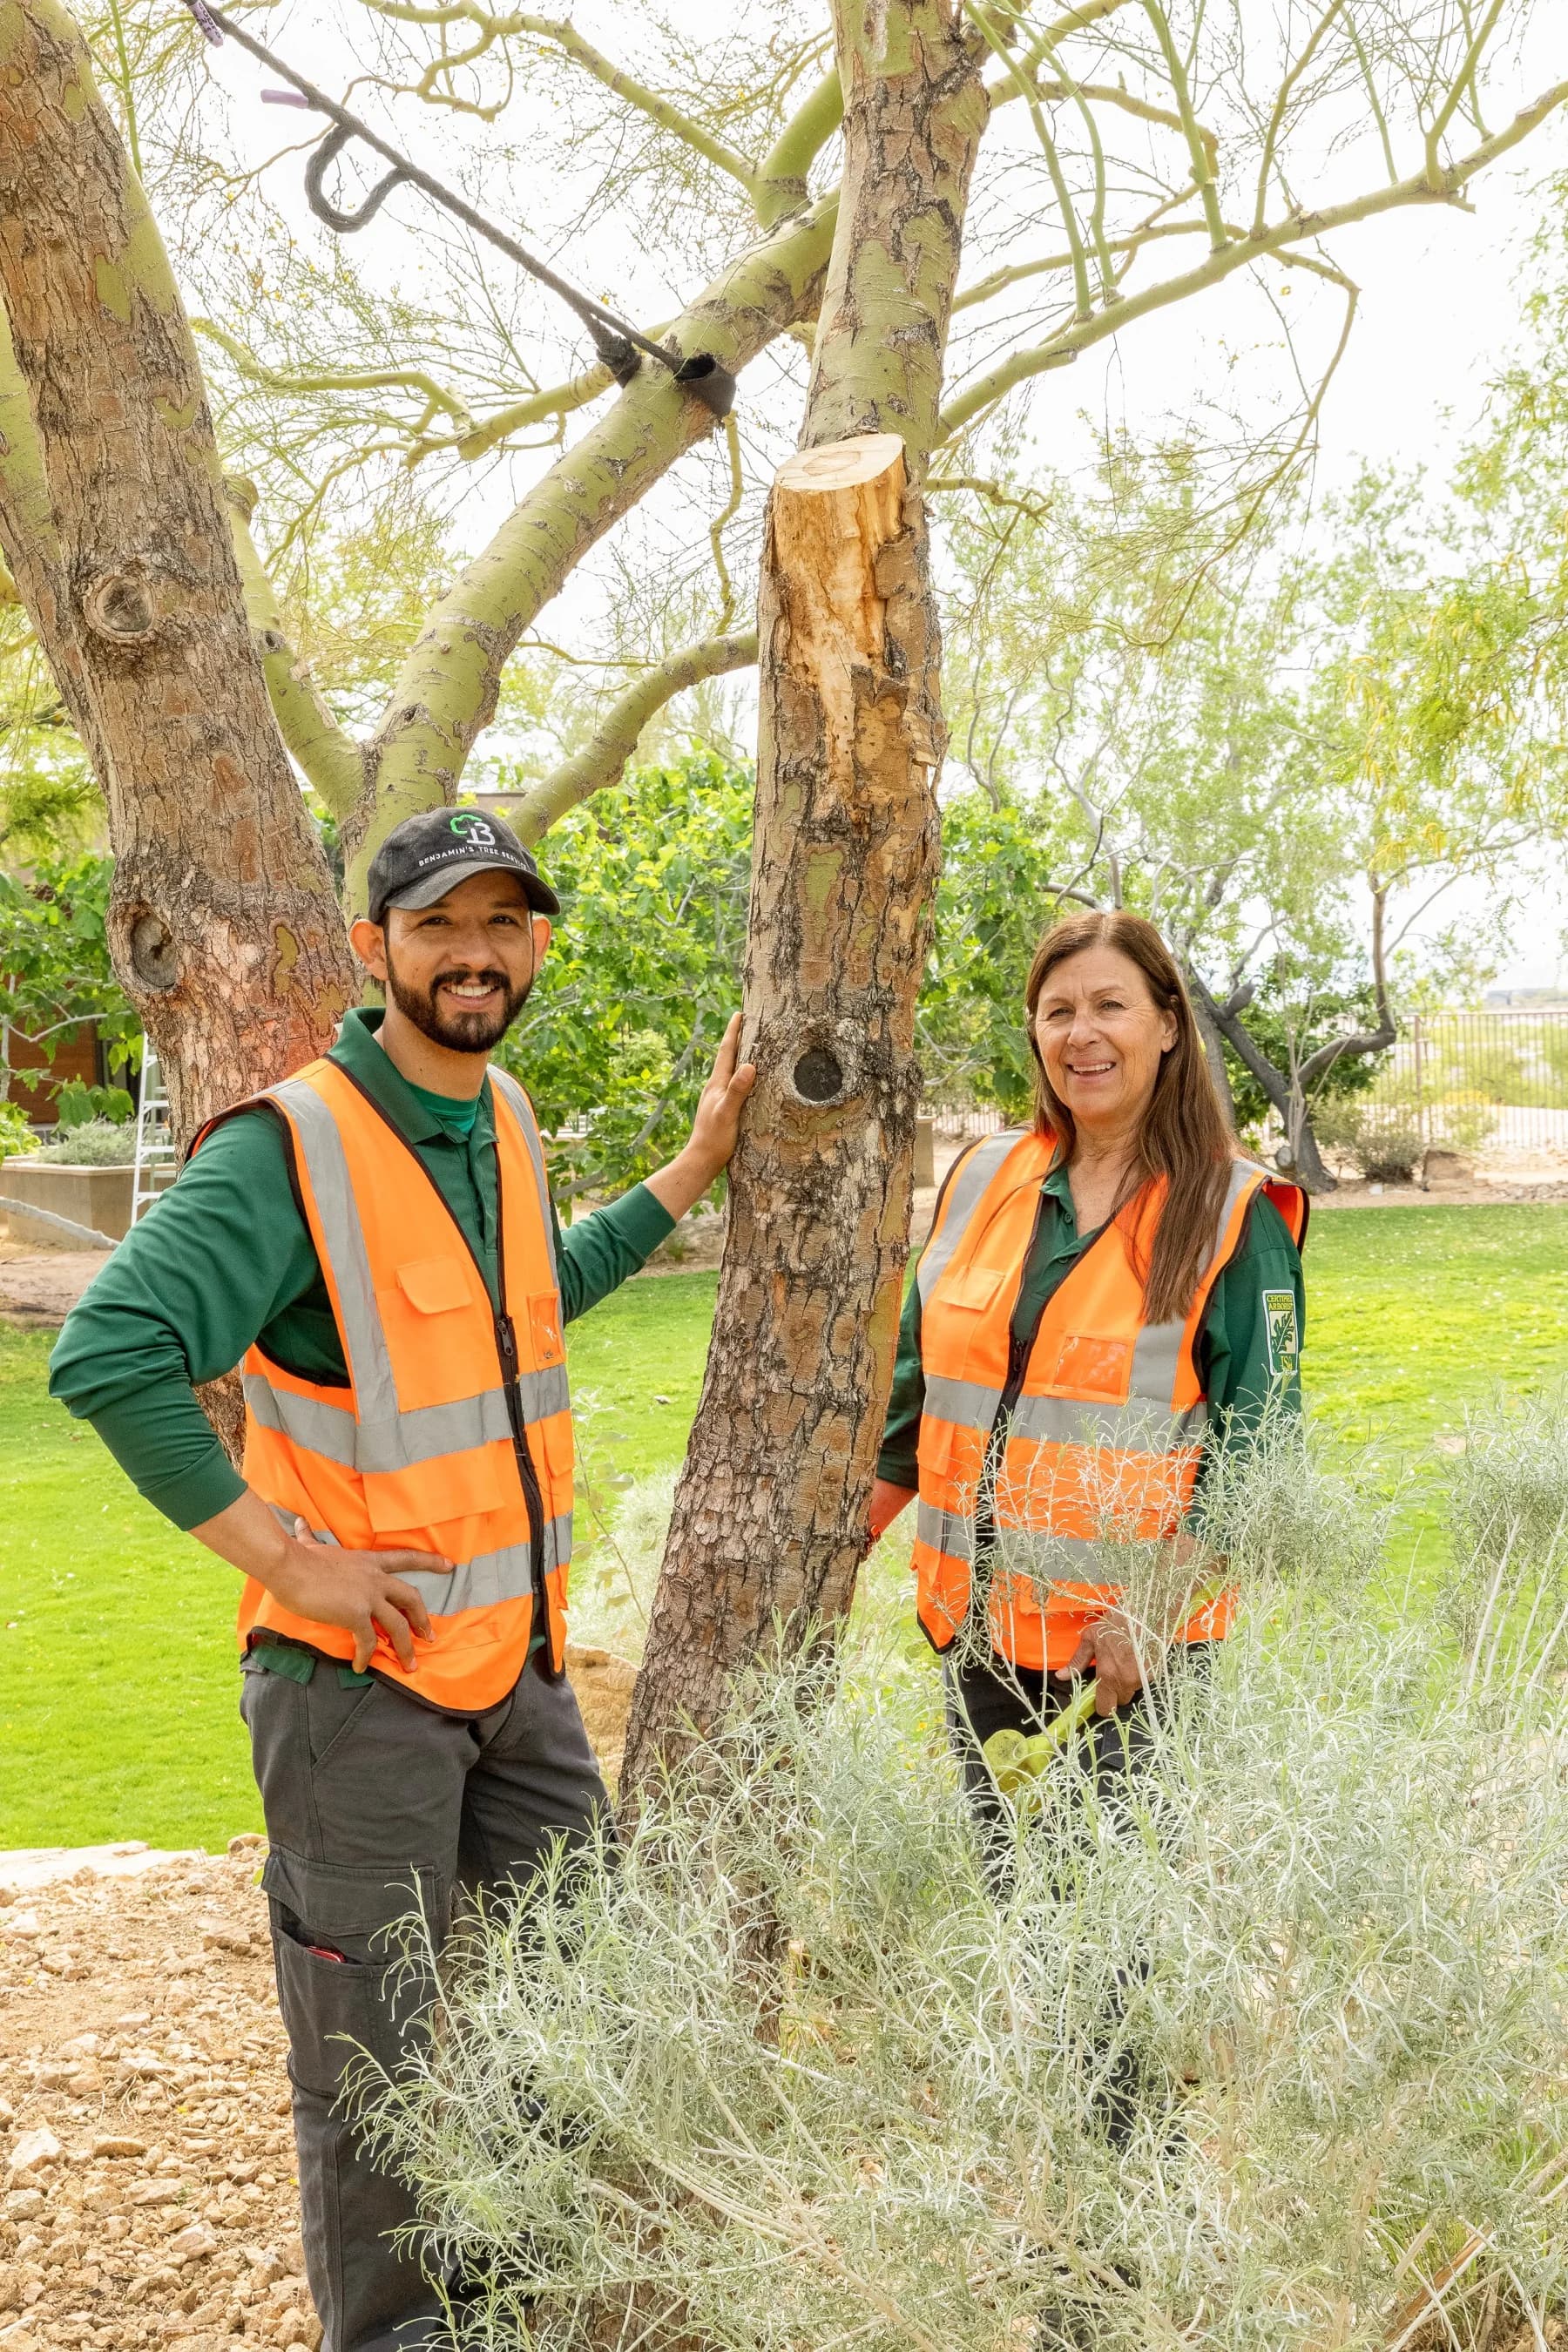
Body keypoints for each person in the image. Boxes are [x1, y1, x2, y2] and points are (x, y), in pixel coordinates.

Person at [48, 806, 755, 2352]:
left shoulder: (501, 1115)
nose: (475, 955)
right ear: (375, 949)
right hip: (355, 1697)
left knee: (569, 2003)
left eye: (504, 924)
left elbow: (532, 1300)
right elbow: (109, 1352)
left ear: (537, 946)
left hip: (515, 1678)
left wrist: (694, 1166)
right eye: (440, 926)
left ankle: (510, 2309)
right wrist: (287, 1560)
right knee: (371, 2067)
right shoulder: (290, 1148)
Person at [868, 909, 1307, 1832]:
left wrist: (1149, 1615)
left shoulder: (1234, 1213)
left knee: (1115, 1919)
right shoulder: (982, 1179)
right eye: (1058, 1011)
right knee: (1013, 1897)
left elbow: (1261, 1456)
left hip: (1126, 1664)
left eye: (1111, 1005)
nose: (1082, 1034)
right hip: (976, 1638)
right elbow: (915, 1397)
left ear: (1169, 1025)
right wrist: (834, 1548)